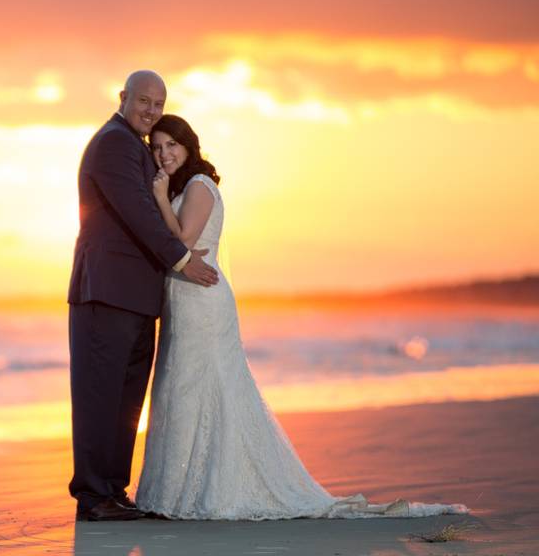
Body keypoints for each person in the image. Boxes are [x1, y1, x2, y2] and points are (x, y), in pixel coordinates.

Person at [135, 114, 468, 520]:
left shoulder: (200, 187)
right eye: (157, 147)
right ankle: (172, 492)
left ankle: (209, 489)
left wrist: (157, 197)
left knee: (203, 386)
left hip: (203, 300)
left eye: (171, 145)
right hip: (183, 301)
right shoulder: (181, 187)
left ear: (189, 145)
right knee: (178, 387)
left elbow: (183, 240)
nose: (164, 153)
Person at [67, 71, 219, 522]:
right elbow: (136, 212)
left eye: (158, 104)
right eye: (144, 101)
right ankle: (93, 497)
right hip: (107, 292)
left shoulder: (137, 146)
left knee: (126, 400)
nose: (151, 111)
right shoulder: (114, 142)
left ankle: (113, 491)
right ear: (124, 98)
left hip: (135, 296)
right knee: (101, 396)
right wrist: (182, 259)